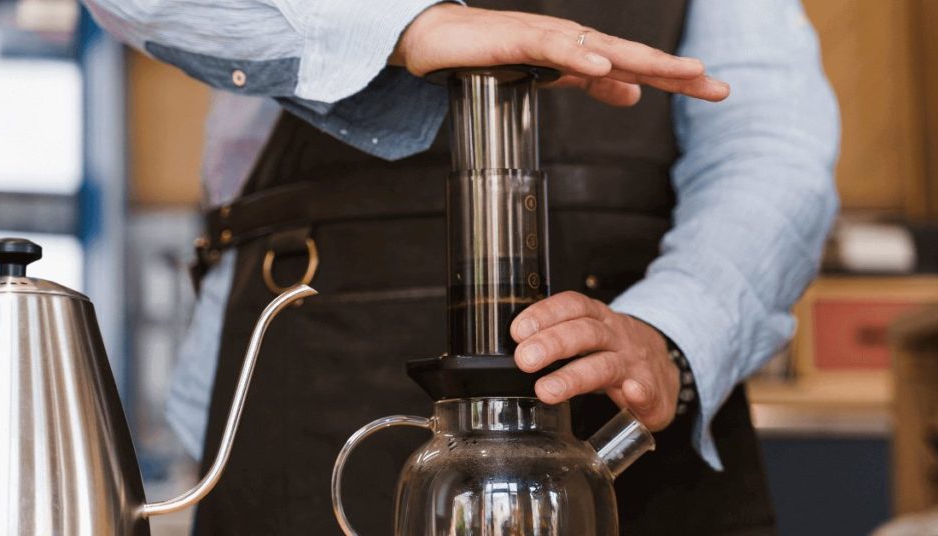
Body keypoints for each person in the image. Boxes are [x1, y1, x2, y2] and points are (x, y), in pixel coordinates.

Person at [84, 0, 839, 534]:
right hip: (315, 360)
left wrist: (672, 331)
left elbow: (769, 146)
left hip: (631, 384)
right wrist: (406, 25)